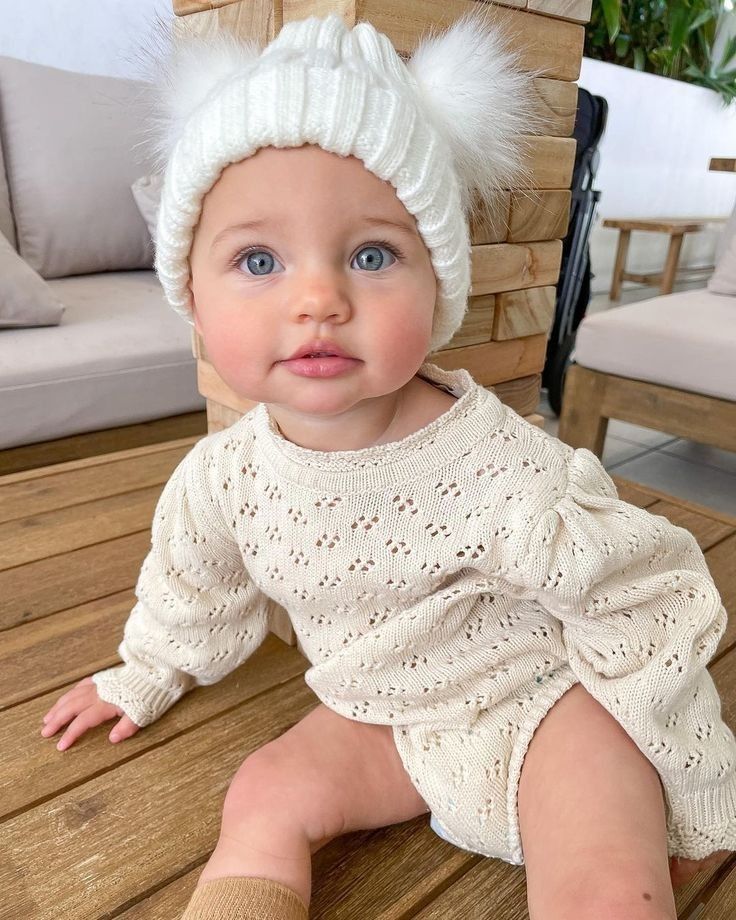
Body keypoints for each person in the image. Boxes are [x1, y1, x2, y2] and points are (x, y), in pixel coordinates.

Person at [39, 9, 735, 920]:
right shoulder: (225, 478)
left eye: (372, 255)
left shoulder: (503, 472)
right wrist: (142, 673)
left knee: (608, 881)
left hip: (547, 702)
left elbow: (648, 601)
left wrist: (684, 781)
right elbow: (192, 592)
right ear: (192, 298)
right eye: (259, 259)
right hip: (385, 716)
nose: (319, 298)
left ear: (436, 284)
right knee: (263, 793)